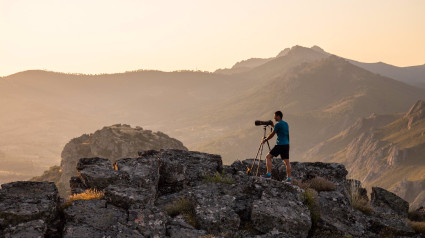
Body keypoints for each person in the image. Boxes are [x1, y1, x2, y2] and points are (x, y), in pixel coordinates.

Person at [260, 111, 291, 182]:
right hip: (286, 144)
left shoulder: (278, 124)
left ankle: (268, 175)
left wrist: (265, 140)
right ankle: (289, 179)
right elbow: (279, 131)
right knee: (287, 162)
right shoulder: (286, 124)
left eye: (275, 116)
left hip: (280, 144)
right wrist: (273, 126)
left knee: (268, 157)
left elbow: (273, 134)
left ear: (278, 116)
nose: (274, 117)